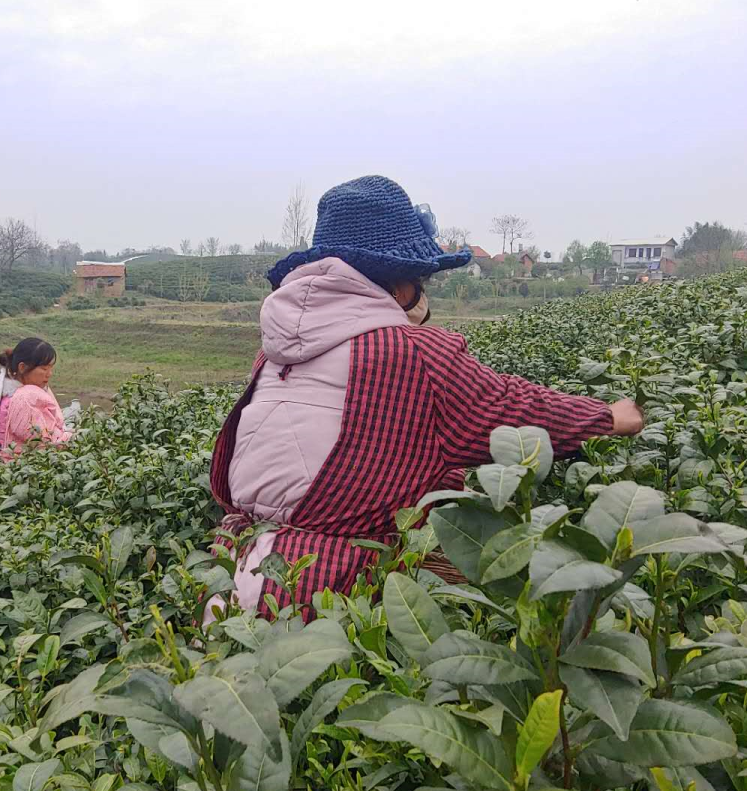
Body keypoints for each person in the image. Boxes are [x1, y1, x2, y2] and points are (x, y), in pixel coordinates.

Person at [206, 175, 643, 622]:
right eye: (418, 280)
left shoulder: (274, 352)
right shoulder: (414, 353)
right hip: (325, 593)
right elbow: (506, 406)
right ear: (397, 287)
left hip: (225, 574)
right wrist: (607, 416)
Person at [0, 337, 71, 461]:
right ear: (22, 367)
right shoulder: (24, 398)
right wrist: (74, 436)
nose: (49, 374)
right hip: (25, 471)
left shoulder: (13, 391)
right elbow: (46, 443)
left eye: (51, 368)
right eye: (44, 369)